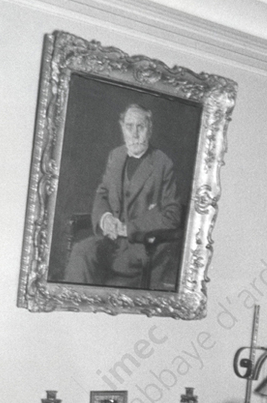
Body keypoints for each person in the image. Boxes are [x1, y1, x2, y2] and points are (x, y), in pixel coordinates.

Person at [65, 103, 183, 290]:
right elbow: (102, 193)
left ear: (149, 130)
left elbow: (172, 215)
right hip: (109, 242)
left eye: (140, 127)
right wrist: (105, 218)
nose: (134, 134)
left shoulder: (163, 163)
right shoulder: (116, 156)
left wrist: (128, 229)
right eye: (129, 127)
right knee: (81, 252)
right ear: (122, 128)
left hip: (141, 247)